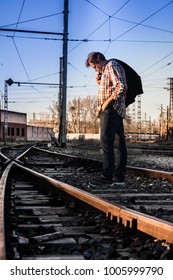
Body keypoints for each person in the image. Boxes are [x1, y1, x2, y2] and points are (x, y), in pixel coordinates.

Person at [85, 52, 127, 186]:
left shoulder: (111, 65)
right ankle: (119, 177)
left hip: (111, 109)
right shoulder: (107, 69)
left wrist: (106, 103)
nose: (95, 70)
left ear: (99, 59)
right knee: (119, 144)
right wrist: (100, 80)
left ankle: (107, 177)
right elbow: (111, 87)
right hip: (117, 110)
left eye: (94, 67)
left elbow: (121, 86)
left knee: (106, 142)